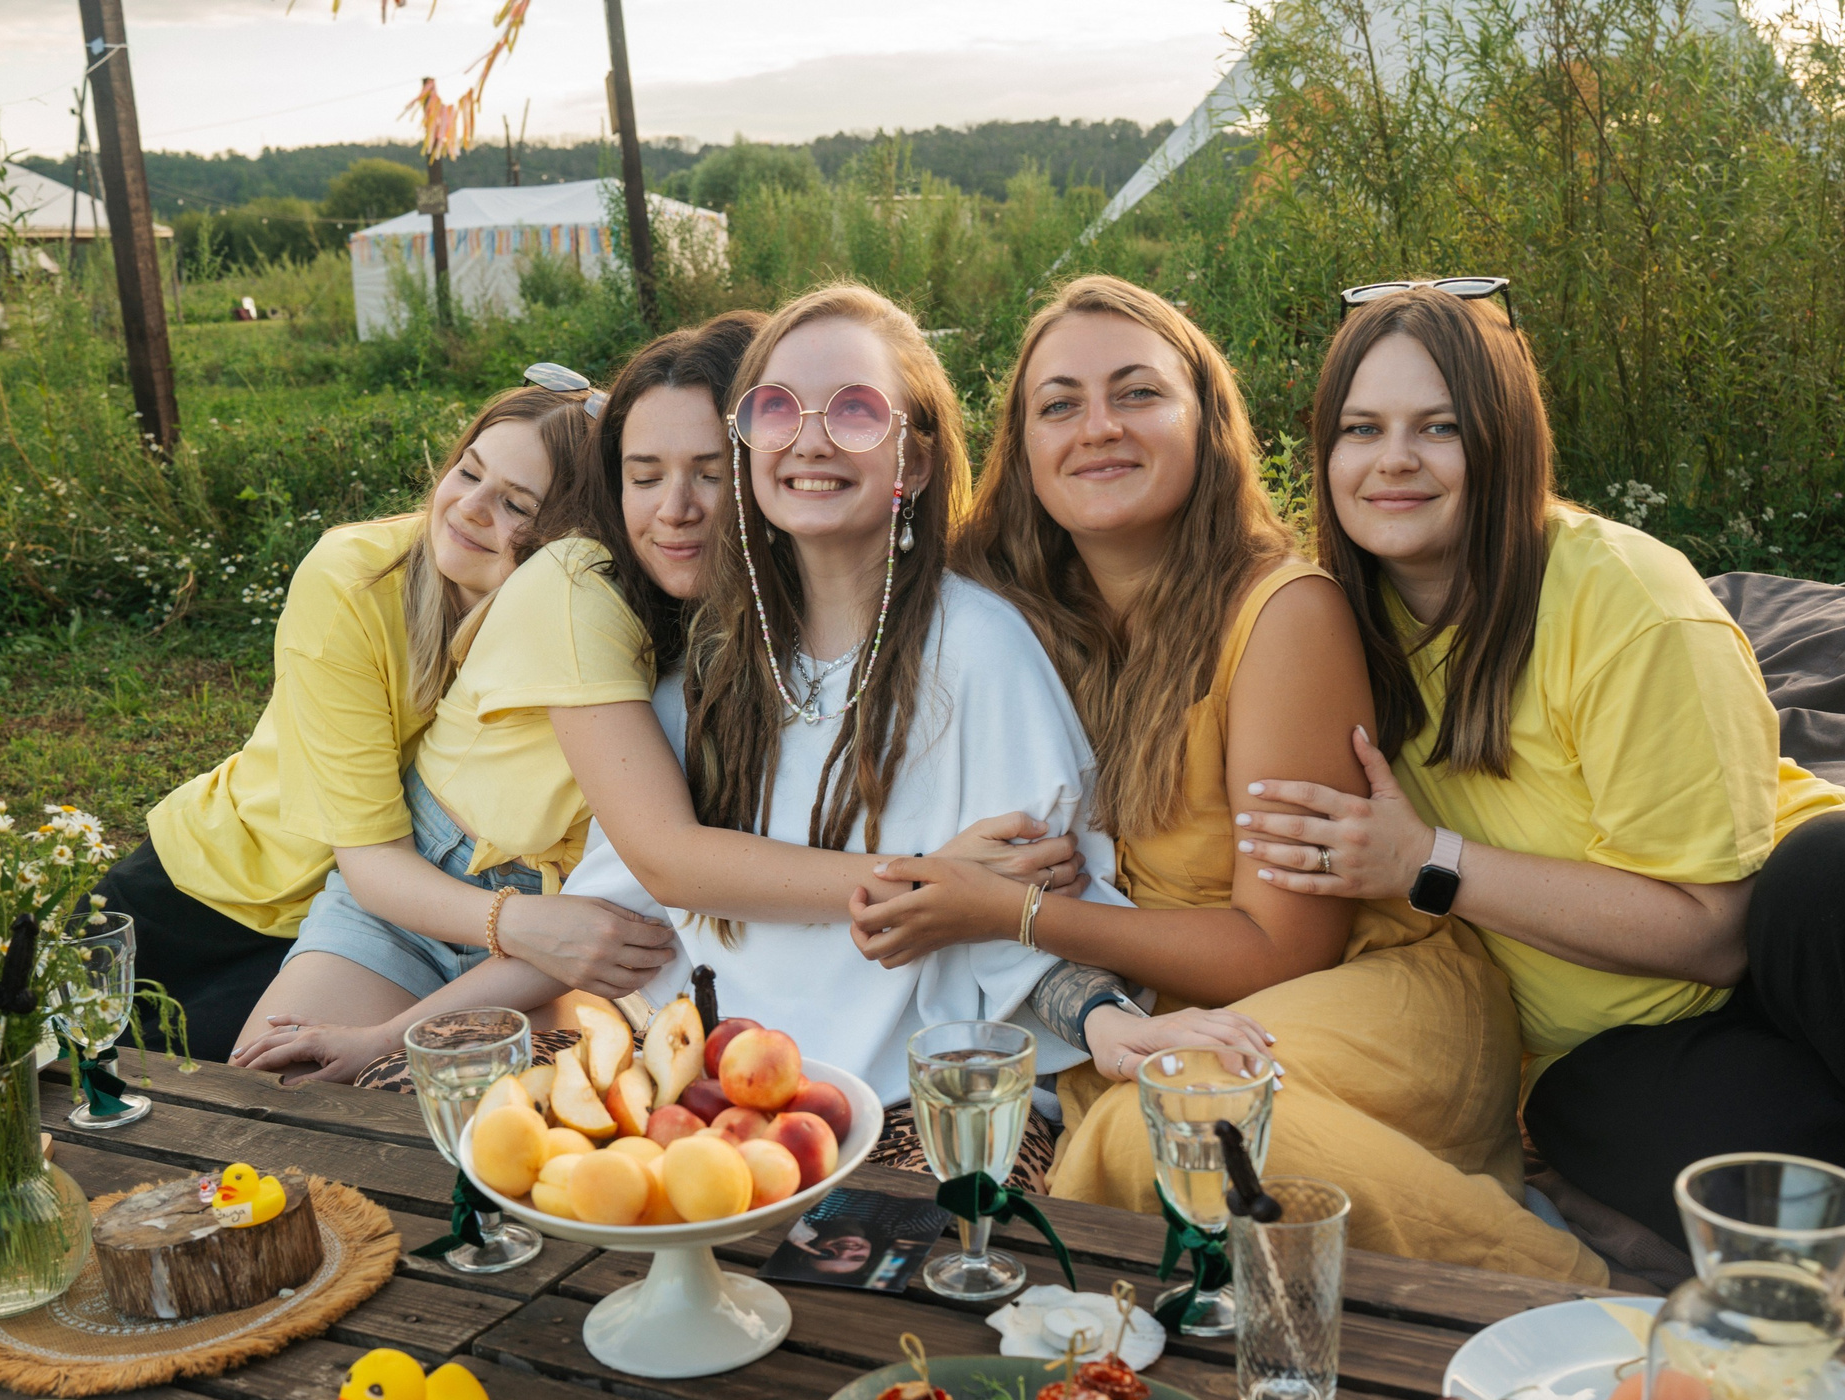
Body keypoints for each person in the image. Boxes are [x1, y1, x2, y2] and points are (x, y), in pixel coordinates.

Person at [1236, 282, 1845, 1379]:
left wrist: (1425, 861)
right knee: (1645, 1154)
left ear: (1504, 440)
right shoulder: (1342, 624)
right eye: (1360, 430)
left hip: (1801, 955)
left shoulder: (1625, 602)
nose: (1393, 461)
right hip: (1617, 1042)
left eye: (1439, 427)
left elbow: (1713, 934)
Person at [232, 297, 1144, 1142]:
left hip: (887, 1099)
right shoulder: (709, 667)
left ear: (914, 457)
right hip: (688, 1079)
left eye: (857, 411)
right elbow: (616, 912)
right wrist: (386, 1039)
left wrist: (1107, 1020)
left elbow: (1042, 907)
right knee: (336, 1128)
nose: (812, 441)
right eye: (781, 411)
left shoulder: (978, 650)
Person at [840, 277, 1587, 1279]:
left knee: (1171, 1112)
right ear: (1023, 448)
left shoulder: (1282, 615)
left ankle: (1559, 1287)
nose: (1097, 428)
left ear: (1207, 422)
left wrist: (1011, 916)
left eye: (1137, 394)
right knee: (1140, 1115)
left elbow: (1283, 943)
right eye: (1059, 404)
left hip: (1359, 992)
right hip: (1163, 1018)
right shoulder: (1000, 623)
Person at [98, 383, 664, 1061]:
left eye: (516, 503)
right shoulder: (353, 582)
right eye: (468, 471)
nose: (471, 507)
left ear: (573, 536)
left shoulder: (573, 628)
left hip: (387, 908)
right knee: (92, 1089)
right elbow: (370, 860)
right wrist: (519, 923)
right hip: (219, 897)